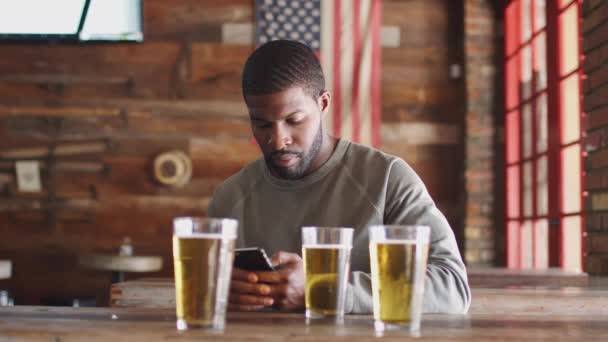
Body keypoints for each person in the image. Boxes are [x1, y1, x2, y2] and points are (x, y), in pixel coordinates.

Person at [207, 39, 471, 314]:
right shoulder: (229, 197)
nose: (277, 140)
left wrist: (324, 290)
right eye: (261, 124)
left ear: (323, 104)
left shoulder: (388, 179)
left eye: (294, 120)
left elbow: (452, 288)